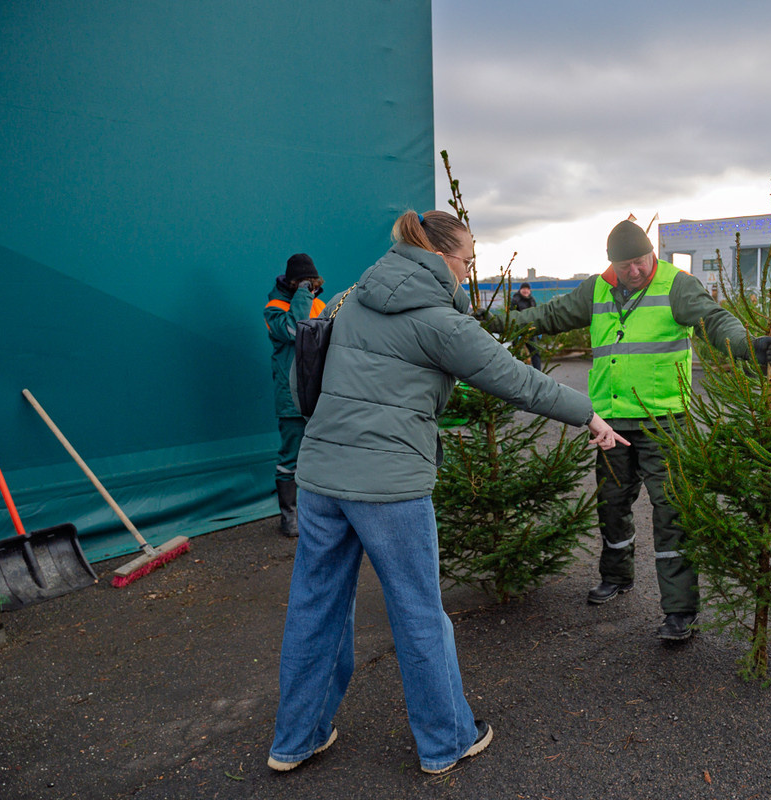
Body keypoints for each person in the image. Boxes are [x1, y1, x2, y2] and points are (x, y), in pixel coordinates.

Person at [267, 210, 628, 776]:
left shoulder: (348, 296)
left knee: (315, 608)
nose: (467, 272)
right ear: (439, 256)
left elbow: (299, 380)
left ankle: (294, 740)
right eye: (466, 261)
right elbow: (515, 379)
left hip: (319, 478)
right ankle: (445, 741)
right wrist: (587, 415)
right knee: (416, 611)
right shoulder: (437, 319)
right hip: (390, 486)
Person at [501, 219, 771, 642]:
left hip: (664, 424)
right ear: (611, 263)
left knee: (672, 514)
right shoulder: (596, 289)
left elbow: (714, 321)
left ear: (652, 254)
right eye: (625, 264)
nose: (634, 270)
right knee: (611, 504)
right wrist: (498, 323)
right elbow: (550, 314)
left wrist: (747, 346)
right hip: (610, 422)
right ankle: (617, 576)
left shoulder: (676, 286)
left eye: (641, 261)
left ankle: (680, 612)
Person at [264, 253, 325, 537]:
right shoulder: (274, 308)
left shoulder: (321, 303)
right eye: (303, 284)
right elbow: (295, 329)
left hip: (320, 394)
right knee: (291, 457)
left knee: (324, 455)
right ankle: (289, 516)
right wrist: (303, 296)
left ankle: (320, 514)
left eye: (310, 283)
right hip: (291, 396)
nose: (309, 288)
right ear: (292, 283)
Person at [508, 281, 542, 370]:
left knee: (535, 352)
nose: (526, 291)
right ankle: (519, 373)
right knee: (517, 353)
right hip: (518, 331)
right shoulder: (515, 300)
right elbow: (513, 315)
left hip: (530, 330)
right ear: (520, 290)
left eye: (527, 289)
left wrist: (538, 328)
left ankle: (538, 373)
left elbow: (535, 314)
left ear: (530, 291)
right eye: (524, 289)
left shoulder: (532, 300)